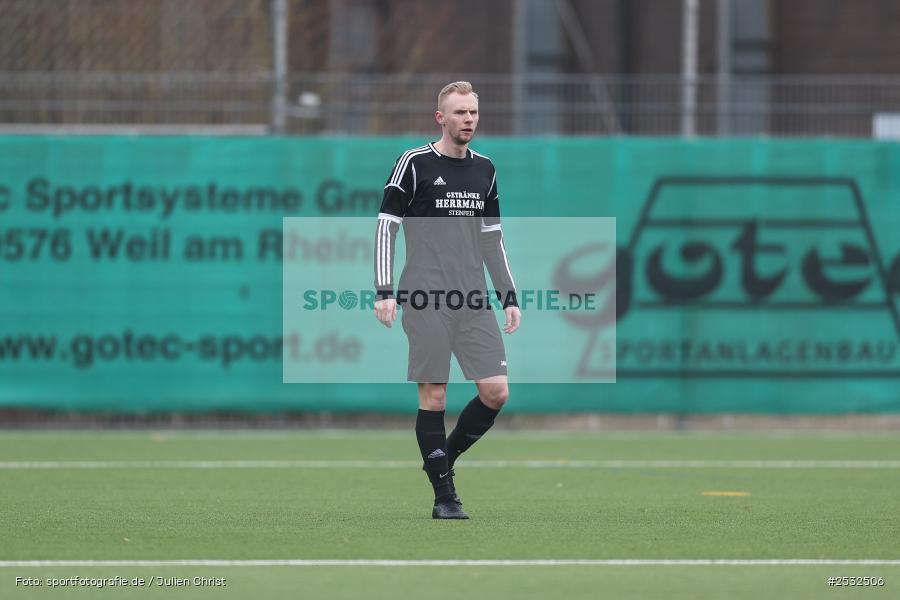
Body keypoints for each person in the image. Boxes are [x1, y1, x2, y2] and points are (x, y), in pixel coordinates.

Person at [373, 81, 521, 519]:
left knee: (496, 393)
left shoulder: (486, 169)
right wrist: (384, 291)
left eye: (473, 112)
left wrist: (508, 295)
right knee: (435, 395)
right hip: (424, 296)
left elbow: (493, 239)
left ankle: (441, 461)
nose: (468, 120)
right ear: (441, 118)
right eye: (459, 113)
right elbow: (387, 226)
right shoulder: (414, 163)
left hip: (473, 298)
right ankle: (444, 497)